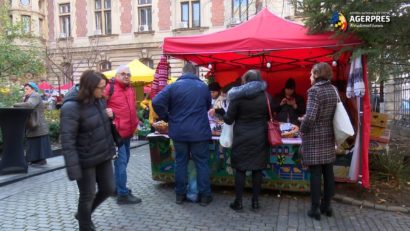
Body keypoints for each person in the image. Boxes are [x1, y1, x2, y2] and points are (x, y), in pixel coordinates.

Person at [60, 70, 115, 231]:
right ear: (89, 87)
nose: (104, 91)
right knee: (88, 194)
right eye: (100, 87)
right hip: (84, 159)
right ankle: (85, 225)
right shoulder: (71, 107)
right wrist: (73, 168)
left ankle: (83, 214)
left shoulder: (99, 100)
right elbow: (67, 140)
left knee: (108, 189)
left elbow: (101, 126)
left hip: (103, 155)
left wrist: (110, 117)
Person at [152, 62, 213, 206]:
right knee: (202, 164)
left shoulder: (173, 87)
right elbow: (207, 106)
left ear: (182, 72)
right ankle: (205, 196)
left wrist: (167, 116)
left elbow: (156, 101)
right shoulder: (203, 87)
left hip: (179, 132)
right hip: (199, 133)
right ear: (195, 73)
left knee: (180, 163)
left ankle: (180, 195)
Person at [223, 69, 270, 211]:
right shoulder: (266, 96)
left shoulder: (237, 97)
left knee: (240, 170)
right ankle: (255, 203)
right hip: (260, 137)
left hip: (242, 137)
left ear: (245, 80)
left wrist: (221, 112)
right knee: (257, 170)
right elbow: (270, 116)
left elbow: (229, 119)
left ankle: (238, 202)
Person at [300, 62, 338, 220]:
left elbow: (310, 117)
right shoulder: (333, 90)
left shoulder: (314, 91)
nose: (309, 77)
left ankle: (315, 209)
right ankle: (327, 206)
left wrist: (302, 128)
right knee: (328, 173)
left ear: (316, 74)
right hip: (329, 135)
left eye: (310, 74)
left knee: (315, 174)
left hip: (315, 137)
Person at [105, 65, 141, 204]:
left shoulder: (130, 88)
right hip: (117, 134)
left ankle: (115, 188)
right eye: (123, 74)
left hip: (128, 132)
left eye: (128, 74)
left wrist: (136, 121)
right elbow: (98, 105)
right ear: (117, 75)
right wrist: (106, 113)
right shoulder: (110, 88)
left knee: (124, 162)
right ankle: (122, 195)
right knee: (121, 163)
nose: (126, 76)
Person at [14, 82, 52, 165]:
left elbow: (30, 105)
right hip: (35, 124)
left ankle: (40, 160)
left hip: (37, 123)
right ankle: (36, 160)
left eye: (27, 89)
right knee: (35, 142)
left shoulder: (35, 95)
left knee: (37, 142)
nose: (25, 90)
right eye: (25, 89)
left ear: (33, 89)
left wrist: (15, 104)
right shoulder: (30, 96)